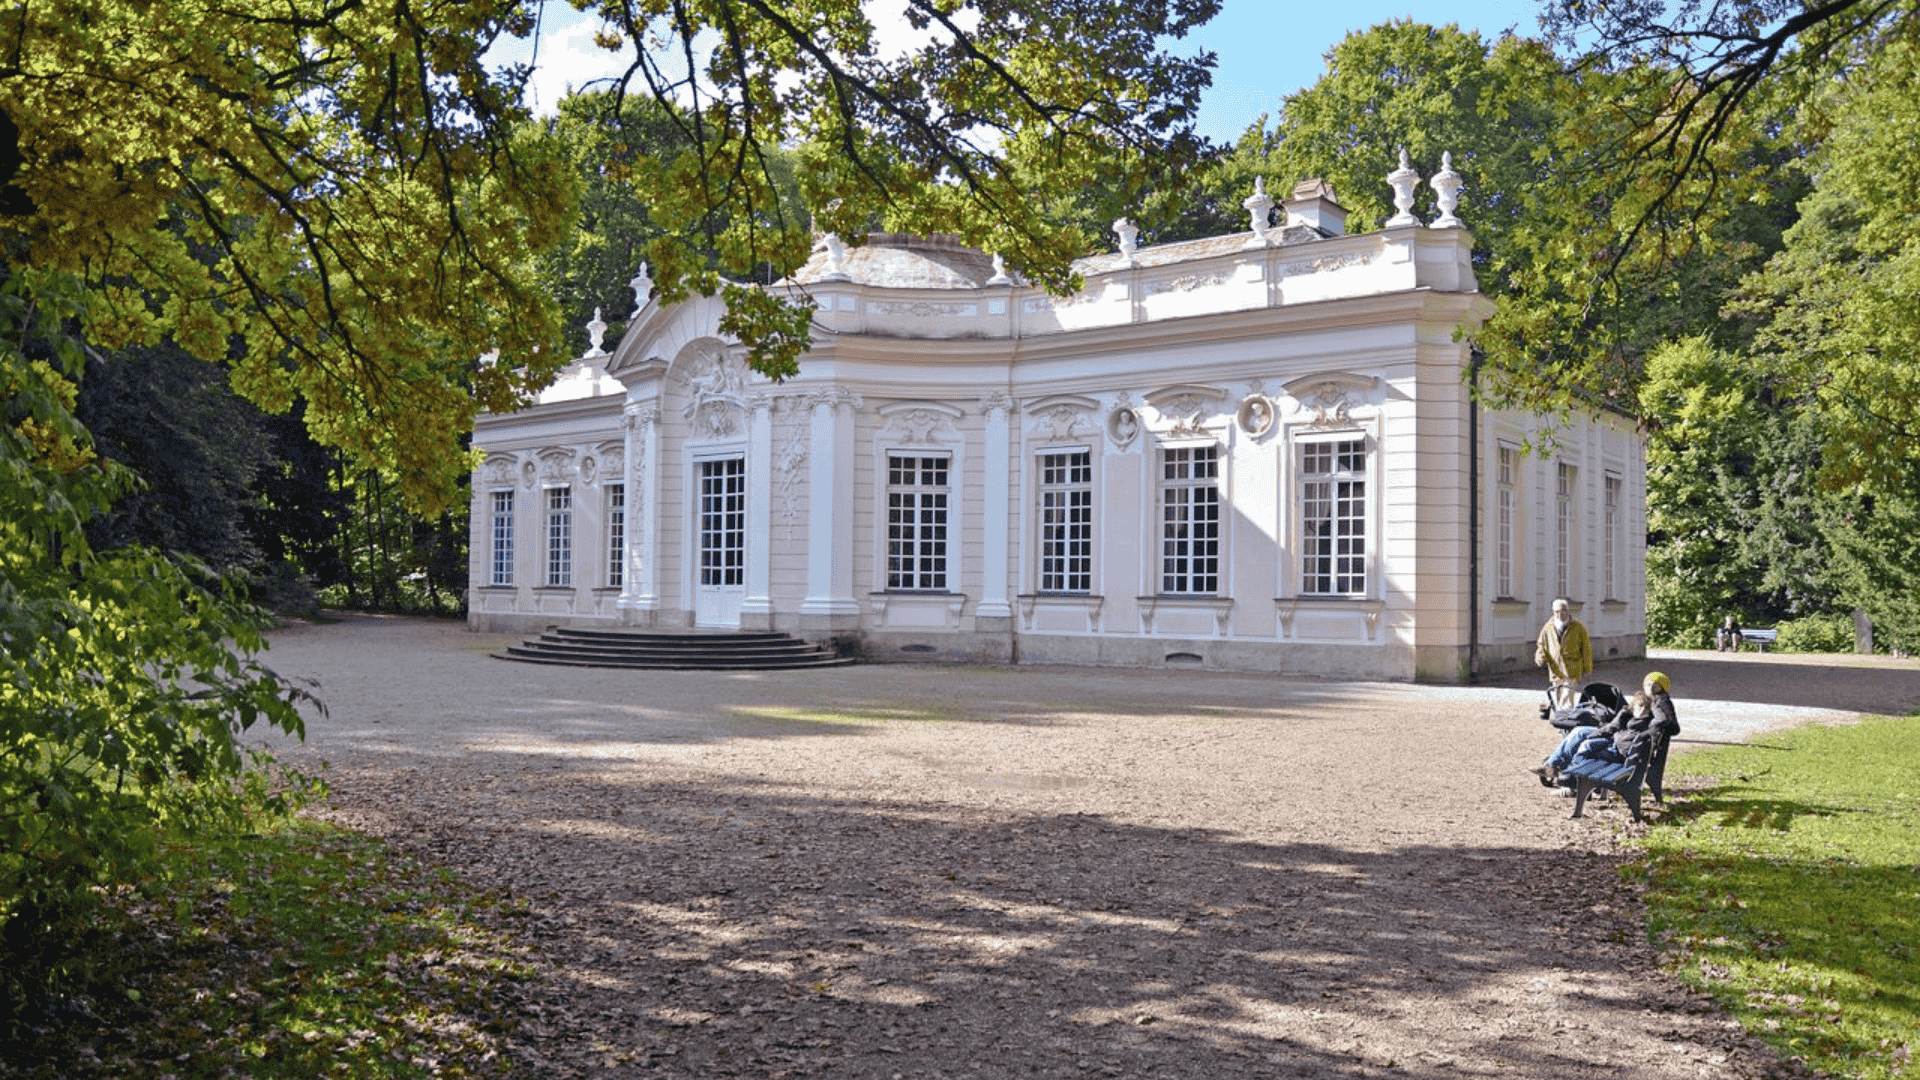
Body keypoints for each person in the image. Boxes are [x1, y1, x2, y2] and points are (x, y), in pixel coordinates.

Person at [1530, 672, 1680, 791]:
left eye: (1654, 684)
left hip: (1624, 743)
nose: (1649, 686)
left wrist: (1654, 699)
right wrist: (1601, 730)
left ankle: (1568, 775)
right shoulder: (1642, 698)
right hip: (1617, 735)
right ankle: (1552, 766)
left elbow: (1668, 724)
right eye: (1647, 682)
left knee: (1586, 742)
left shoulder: (1660, 704)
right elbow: (1617, 722)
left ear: (1661, 687)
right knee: (1579, 732)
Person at [1534, 598, 1593, 710]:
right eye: (1557, 611)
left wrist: (1587, 668)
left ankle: (1566, 721)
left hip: (1572, 670)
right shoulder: (1548, 627)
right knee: (1558, 699)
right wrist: (1539, 658)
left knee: (1566, 700)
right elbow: (1541, 645)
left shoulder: (1578, 626)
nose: (1561, 614)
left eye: (1564, 610)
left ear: (1568, 611)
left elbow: (1586, 649)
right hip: (1555, 670)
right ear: (1553, 612)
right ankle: (1562, 723)